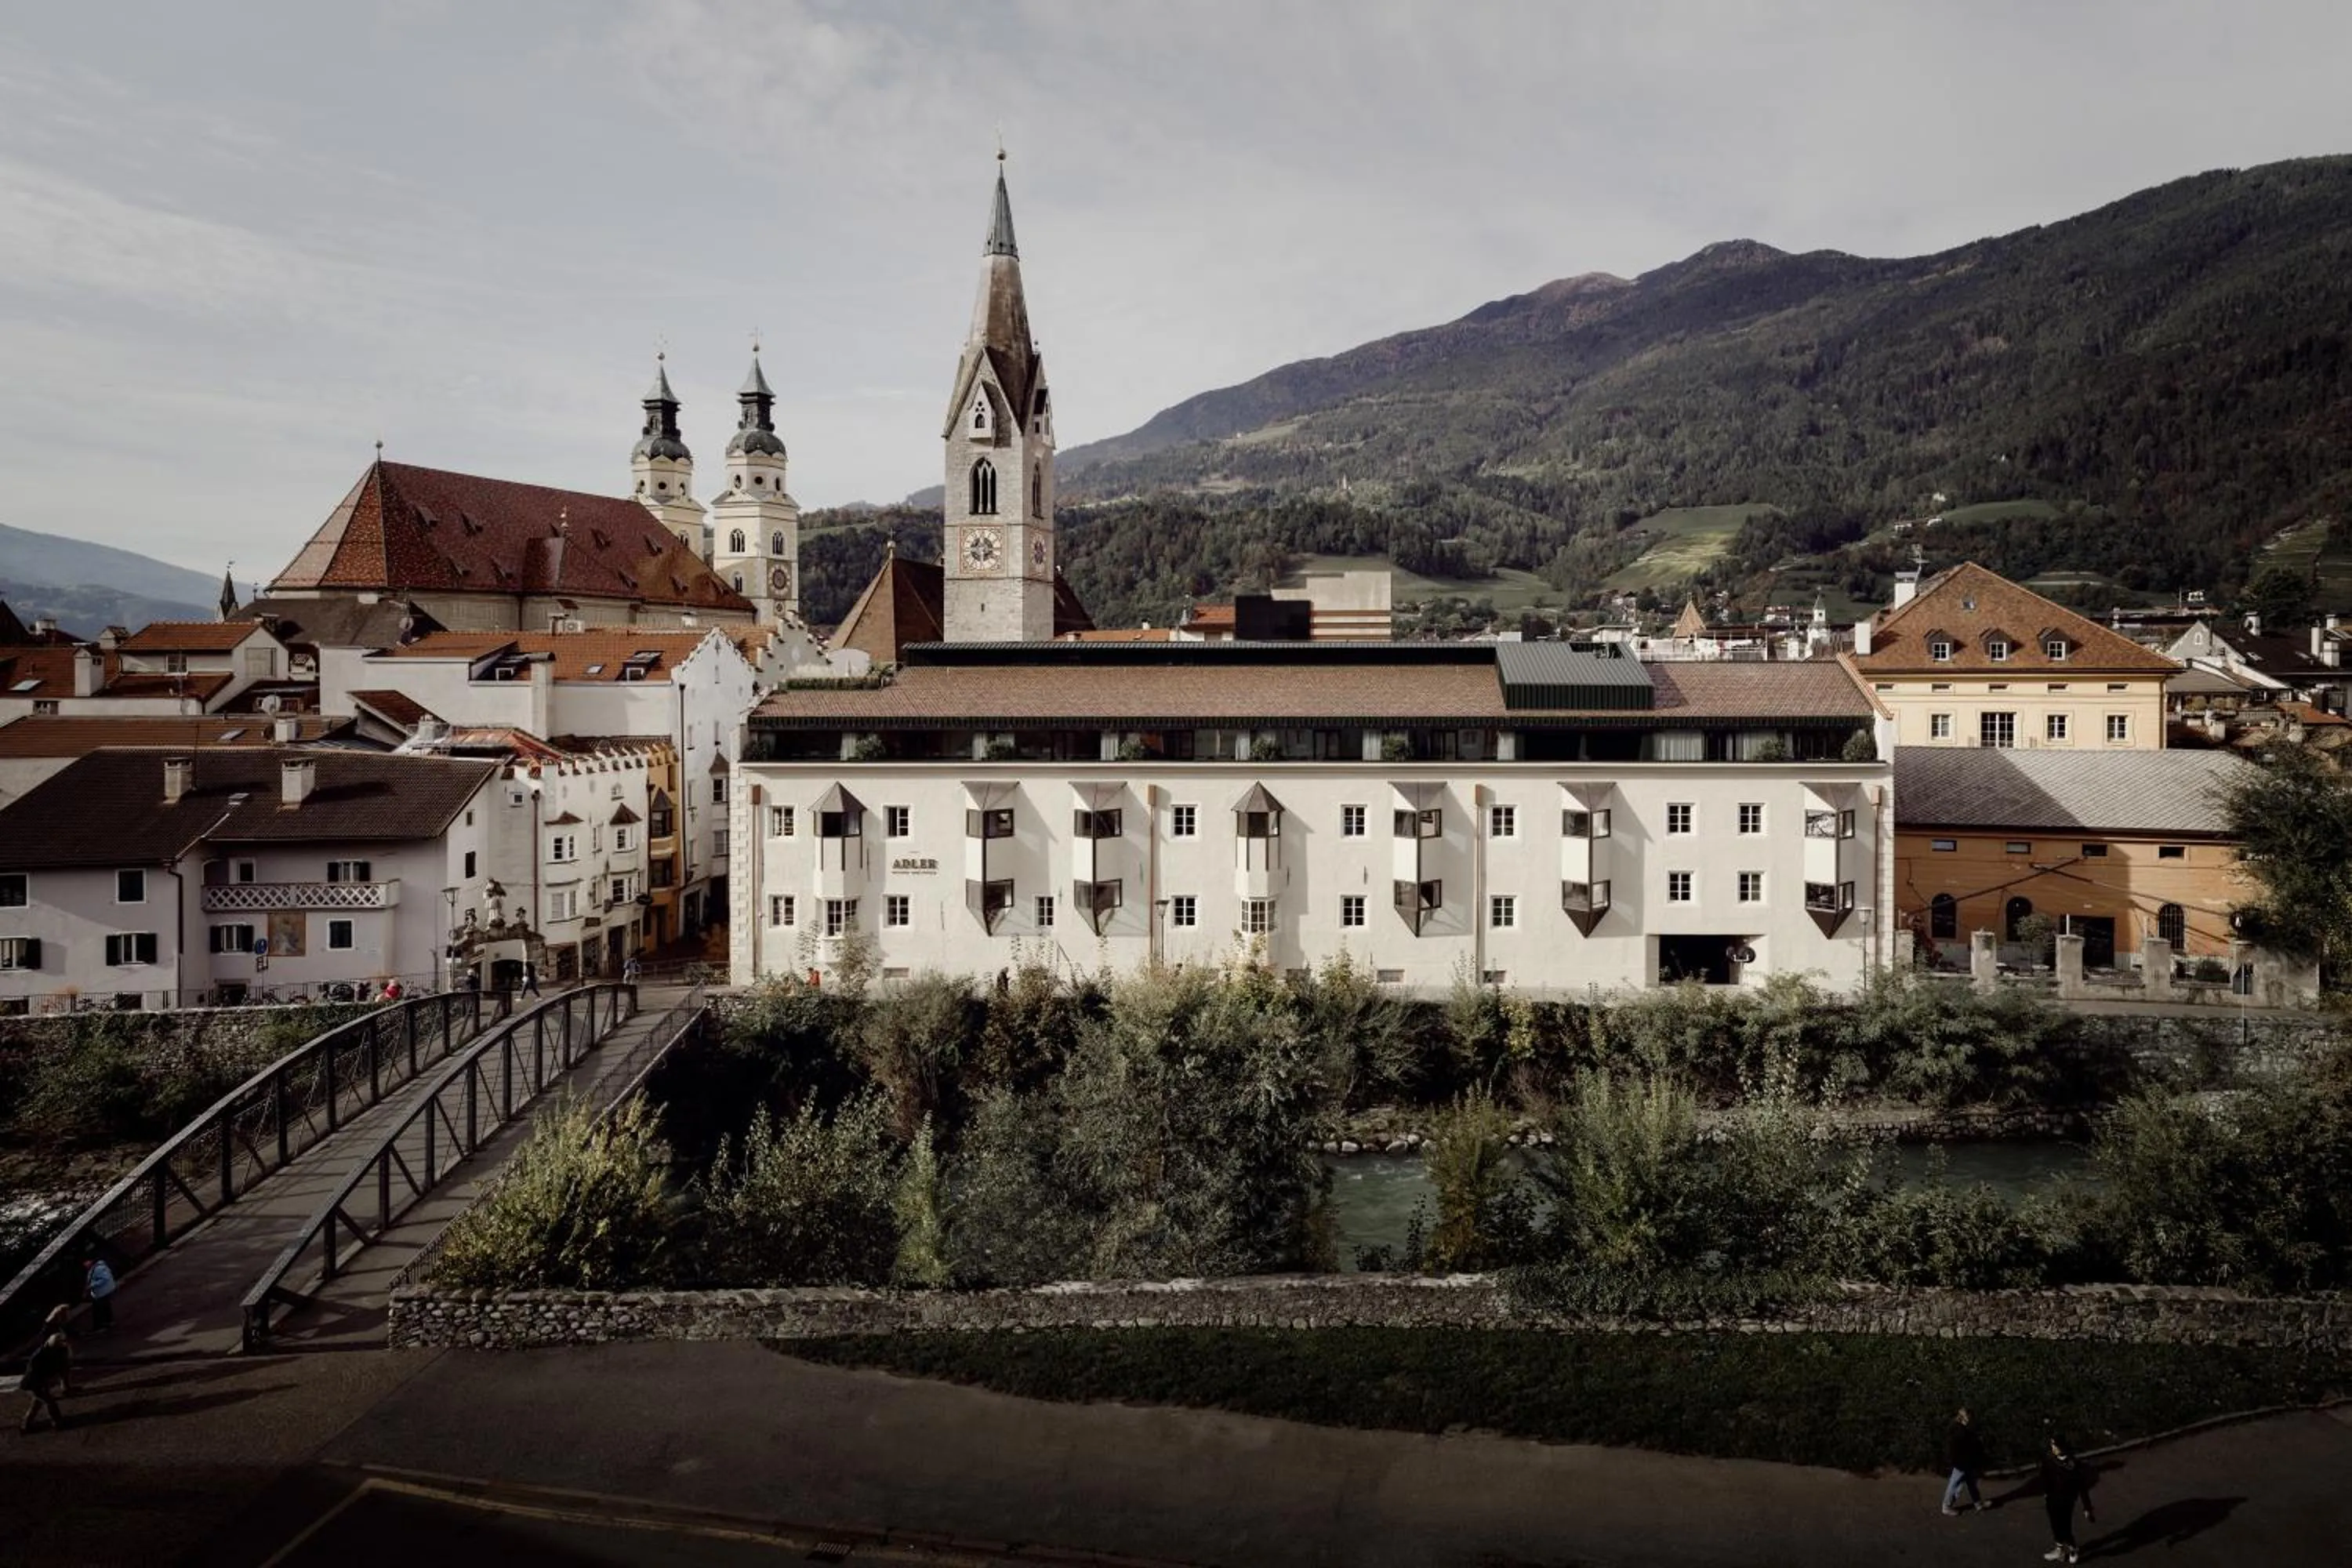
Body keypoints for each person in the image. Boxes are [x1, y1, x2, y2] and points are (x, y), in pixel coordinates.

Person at [2039, 1432, 2096, 1563]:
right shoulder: (2049, 1459)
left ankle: (2073, 1548)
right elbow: (2044, 1476)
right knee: (2055, 1524)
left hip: (2067, 1500)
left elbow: (2082, 1487)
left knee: (2065, 1526)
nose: (2053, 1448)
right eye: (2052, 1445)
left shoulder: (2072, 1465)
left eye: (2055, 1446)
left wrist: (2087, 1507)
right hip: (2052, 1499)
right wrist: (2046, 1493)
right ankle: (2060, 1548)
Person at [18, 1332, 70, 1433]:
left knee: (37, 1404)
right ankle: (57, 1423)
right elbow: (34, 1373)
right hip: (34, 1383)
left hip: (39, 1383)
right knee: (50, 1402)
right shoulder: (40, 1355)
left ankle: (26, 1425)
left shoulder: (54, 1351)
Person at [1941, 1406, 1989, 1515]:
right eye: (1970, 1417)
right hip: (1961, 1462)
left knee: (1971, 1483)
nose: (1972, 1419)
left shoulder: (1961, 1428)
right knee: (1955, 1484)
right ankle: (1947, 1506)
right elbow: (1955, 1448)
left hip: (1966, 1461)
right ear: (1965, 1417)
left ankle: (1978, 1503)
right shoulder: (1958, 1430)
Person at [83, 1252, 114, 1334]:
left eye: (86, 1262)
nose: (85, 1264)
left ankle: (100, 1326)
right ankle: (108, 1322)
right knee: (105, 1307)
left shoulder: (98, 1269)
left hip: (101, 1292)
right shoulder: (96, 1268)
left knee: (98, 1310)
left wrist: (92, 1285)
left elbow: (105, 1278)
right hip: (103, 1292)